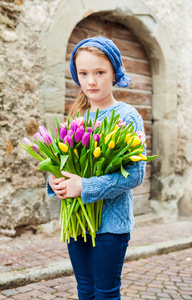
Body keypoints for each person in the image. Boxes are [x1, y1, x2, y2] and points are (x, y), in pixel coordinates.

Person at [47, 36, 146, 300]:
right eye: (83, 73)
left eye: (100, 72)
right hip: (77, 223)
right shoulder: (77, 116)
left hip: (111, 225)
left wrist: (86, 186)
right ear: (76, 75)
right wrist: (55, 181)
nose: (91, 81)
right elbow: (64, 163)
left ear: (114, 73)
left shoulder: (128, 116)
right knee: (85, 290)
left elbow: (135, 175)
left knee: (105, 292)